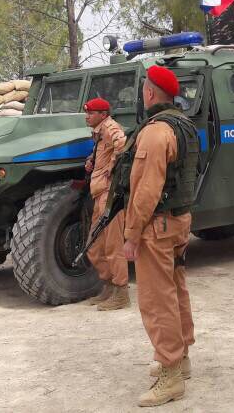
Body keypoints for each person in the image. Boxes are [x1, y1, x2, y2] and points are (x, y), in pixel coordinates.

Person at [119, 65, 200, 407]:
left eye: (143, 90)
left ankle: (170, 375)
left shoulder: (155, 133)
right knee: (175, 289)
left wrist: (131, 235)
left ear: (150, 93)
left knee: (156, 299)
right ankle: (180, 359)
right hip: (179, 221)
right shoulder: (184, 126)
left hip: (156, 226)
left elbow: (146, 191)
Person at [82, 97, 129, 311]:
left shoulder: (110, 127)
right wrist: (94, 162)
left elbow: (123, 145)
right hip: (99, 193)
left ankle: (121, 293)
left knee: (113, 246)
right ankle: (109, 287)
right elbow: (107, 152)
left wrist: (111, 168)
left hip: (109, 195)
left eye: (91, 113)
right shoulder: (99, 131)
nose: (87, 116)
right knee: (94, 246)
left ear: (102, 114)